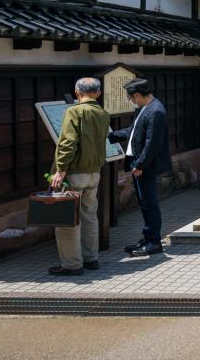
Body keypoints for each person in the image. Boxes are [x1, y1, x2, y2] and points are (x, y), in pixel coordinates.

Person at [47, 77, 110, 276]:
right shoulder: (102, 113)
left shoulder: (74, 112)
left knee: (68, 220)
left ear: (77, 92)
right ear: (98, 93)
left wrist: (60, 170)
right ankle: (92, 258)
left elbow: (68, 143)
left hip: (74, 173)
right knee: (90, 216)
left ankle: (72, 264)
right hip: (94, 172)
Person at [109, 77, 171, 257]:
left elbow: (152, 143)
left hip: (145, 166)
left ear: (137, 95)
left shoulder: (156, 111)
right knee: (144, 202)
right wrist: (111, 136)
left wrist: (140, 165)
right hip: (140, 164)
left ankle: (154, 241)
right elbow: (134, 131)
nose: (131, 101)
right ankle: (148, 236)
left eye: (131, 98)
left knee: (149, 203)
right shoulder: (146, 109)